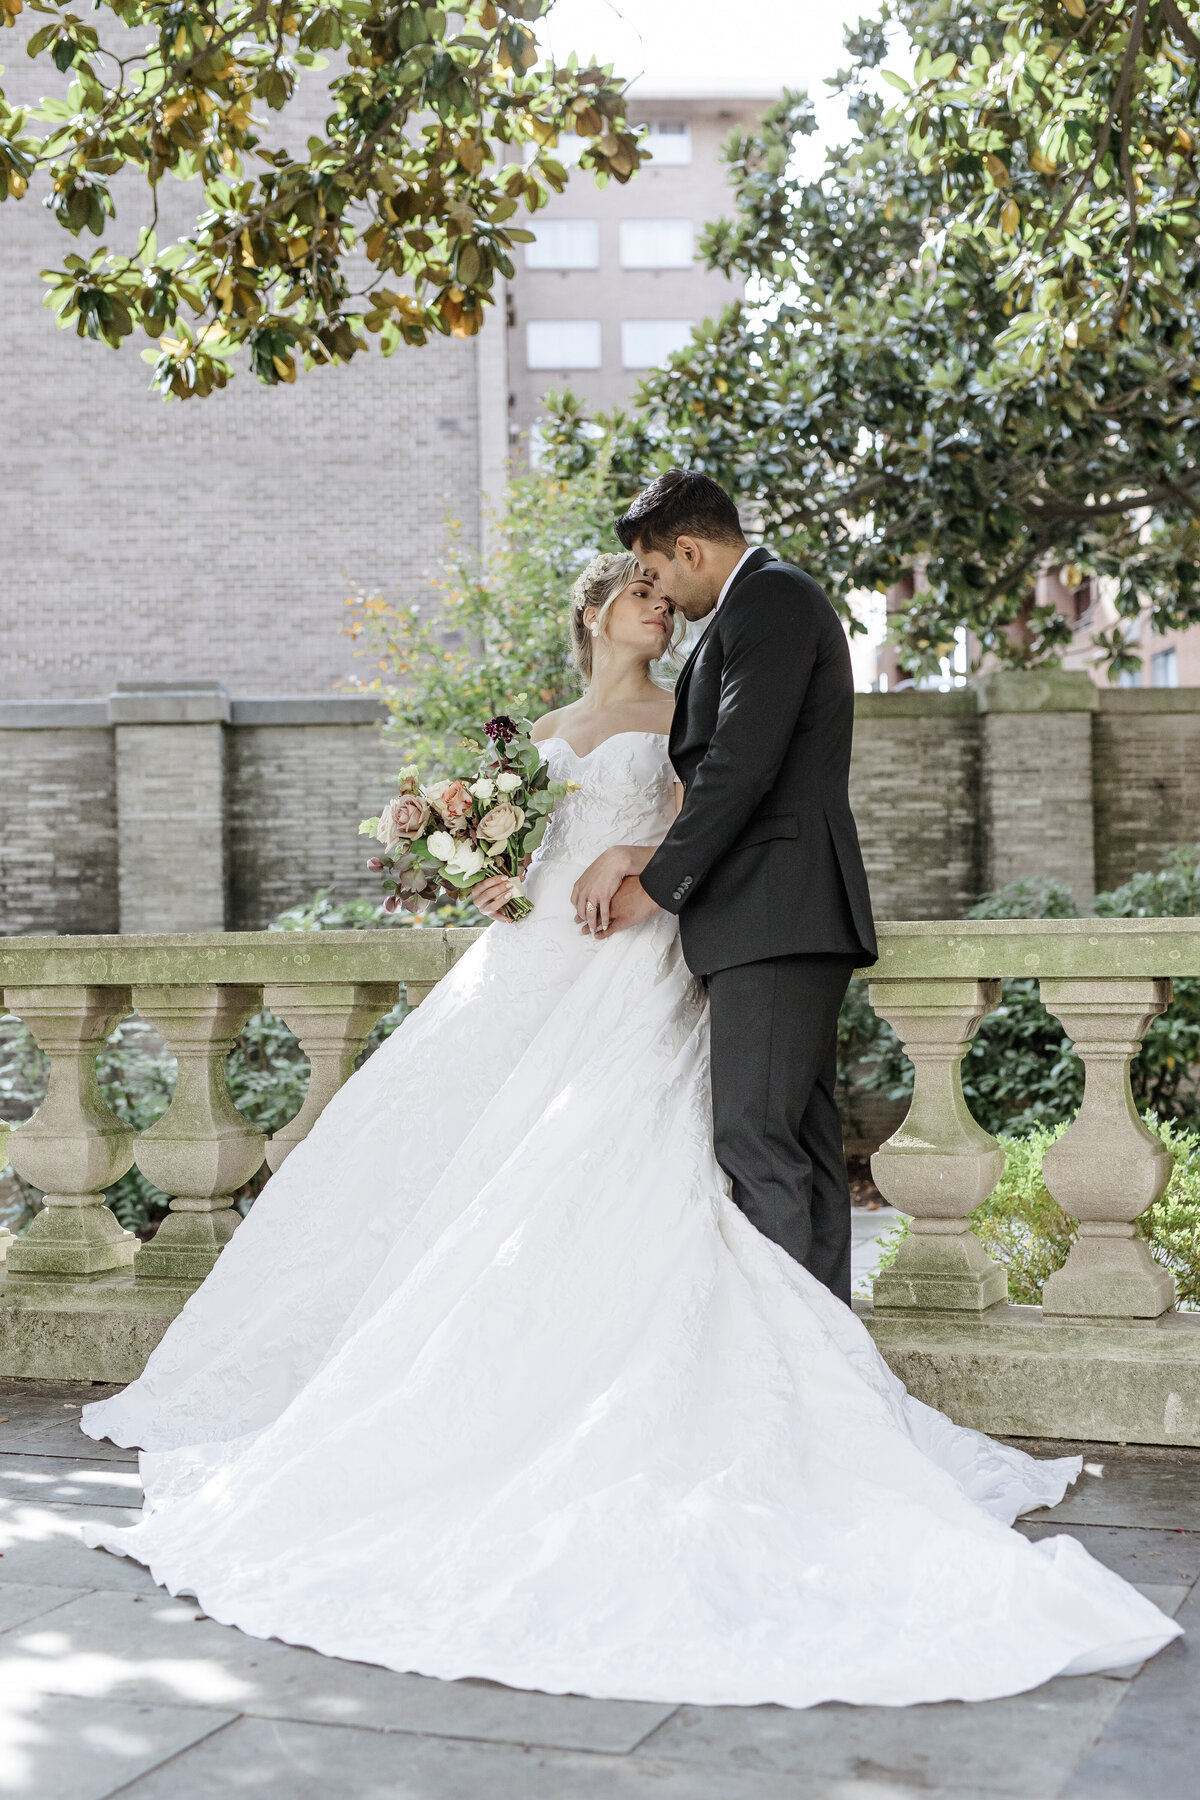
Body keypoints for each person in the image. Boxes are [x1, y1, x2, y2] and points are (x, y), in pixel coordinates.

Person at [79, 542, 1179, 1710]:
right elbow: (531, 846)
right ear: (595, 610)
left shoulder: (688, 704)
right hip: (530, 958)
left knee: (608, 1156)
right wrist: (485, 865)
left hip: (637, 952)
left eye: (666, 591)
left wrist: (646, 861)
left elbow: (714, 817)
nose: (659, 607)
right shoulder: (547, 722)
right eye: (640, 594)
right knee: (467, 1165)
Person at [571, 470, 876, 1304]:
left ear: (691, 549)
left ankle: (789, 1359)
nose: (659, 592)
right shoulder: (758, 606)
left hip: (776, 913)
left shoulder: (770, 602)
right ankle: (829, 1360)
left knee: (752, 1140)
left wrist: (657, 886)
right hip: (776, 914)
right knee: (803, 1148)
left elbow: (739, 766)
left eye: (658, 572)